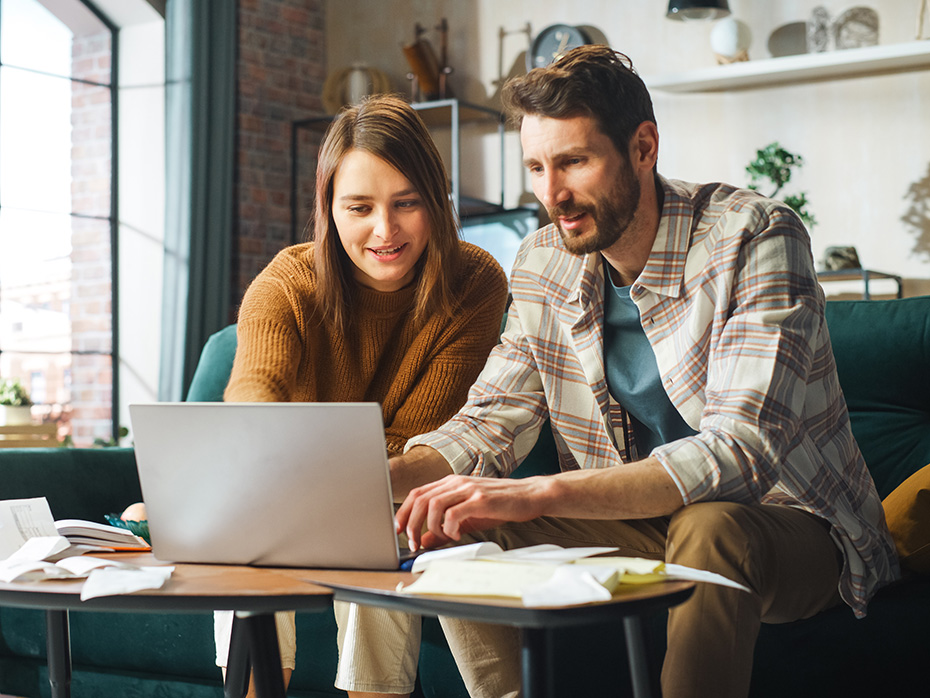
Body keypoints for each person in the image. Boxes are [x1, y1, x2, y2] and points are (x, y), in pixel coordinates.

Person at [335, 46, 899, 698]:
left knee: (709, 527)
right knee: (443, 523)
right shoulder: (544, 260)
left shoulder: (753, 236)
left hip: (790, 526)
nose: (553, 194)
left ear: (643, 147)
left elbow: (741, 455)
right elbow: (493, 419)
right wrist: (377, 484)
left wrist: (539, 492)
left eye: (574, 161)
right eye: (538, 167)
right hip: (632, 524)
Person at [211, 94, 509, 696]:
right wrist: (265, 464)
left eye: (407, 203)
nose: (385, 230)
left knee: (385, 525)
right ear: (329, 209)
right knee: (246, 529)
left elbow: (419, 445)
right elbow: (250, 404)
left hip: (392, 490)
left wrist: (306, 469)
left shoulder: (475, 282)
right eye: (359, 207)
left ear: (436, 202)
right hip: (284, 493)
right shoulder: (289, 283)